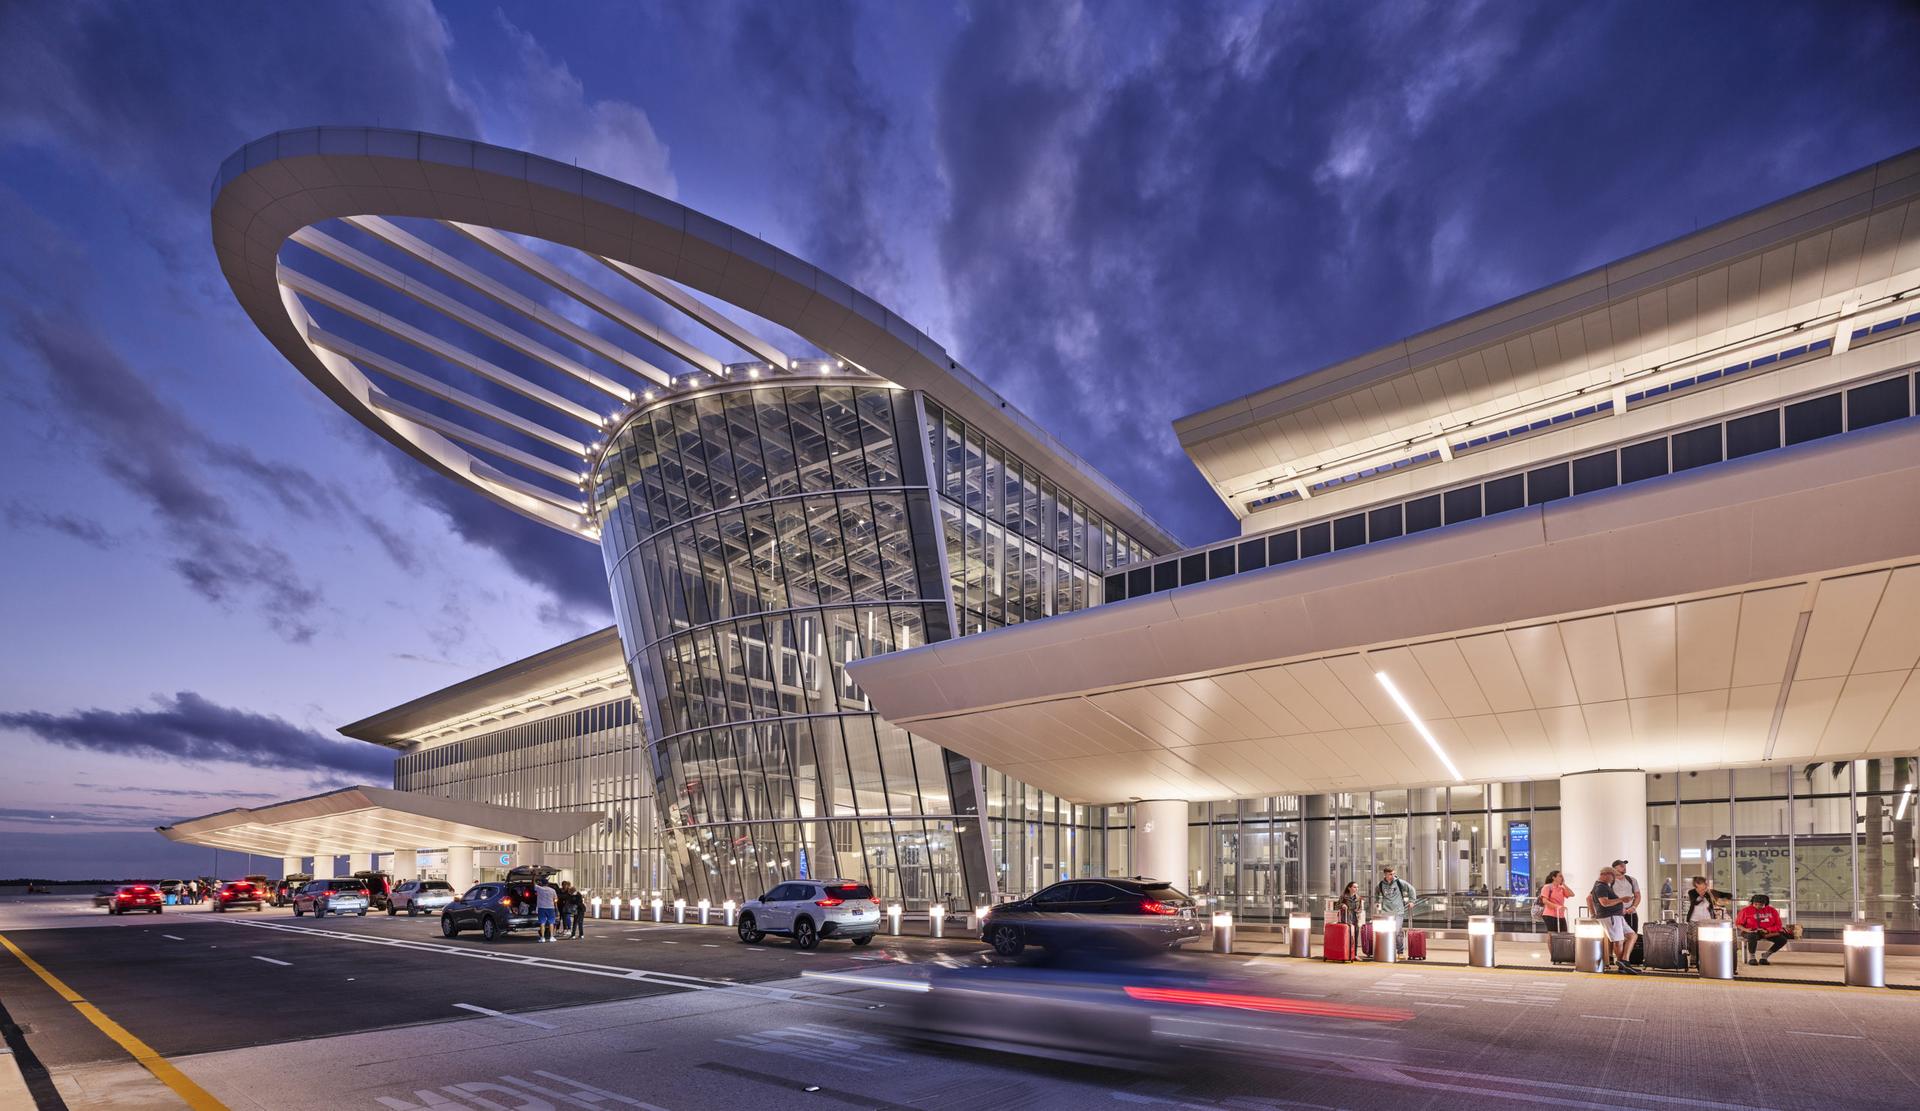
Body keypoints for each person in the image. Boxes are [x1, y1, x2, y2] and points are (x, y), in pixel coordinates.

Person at [1589, 866, 1638, 973]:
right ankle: (1623, 966)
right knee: (1618, 941)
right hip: (1610, 916)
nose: (1614, 879)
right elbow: (1604, 903)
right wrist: (1621, 899)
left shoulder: (1602, 886)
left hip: (1616, 916)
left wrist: (1593, 914)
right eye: (1613, 876)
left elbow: (1589, 898)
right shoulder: (1600, 887)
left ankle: (1624, 961)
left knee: (1632, 935)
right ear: (1605, 874)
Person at [1734, 894, 1793, 965]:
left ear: (1766, 904)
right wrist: (1746, 930)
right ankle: (1752, 957)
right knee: (1752, 936)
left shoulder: (1772, 911)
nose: (1758, 906)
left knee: (1782, 940)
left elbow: (1778, 925)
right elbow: (1738, 924)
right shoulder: (1745, 910)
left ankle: (1765, 956)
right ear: (1752, 902)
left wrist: (1767, 930)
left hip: (1767, 932)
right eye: (1755, 904)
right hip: (1750, 931)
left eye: (1761, 905)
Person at [1373, 866, 1416, 955]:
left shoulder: (1399, 882)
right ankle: (1389, 951)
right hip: (1386, 912)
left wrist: (1412, 901)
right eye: (1390, 874)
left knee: (1397, 931)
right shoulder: (1381, 884)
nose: (1392, 876)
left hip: (1398, 911)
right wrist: (1377, 901)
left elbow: (1411, 889)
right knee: (1387, 932)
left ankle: (1400, 951)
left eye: (1393, 874)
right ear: (1385, 874)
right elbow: (1376, 893)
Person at [1611, 859, 1642, 933]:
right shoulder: (1610, 881)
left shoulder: (1632, 880)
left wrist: (1633, 907)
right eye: (1621, 866)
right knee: (1618, 936)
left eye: (1625, 866)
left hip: (1630, 913)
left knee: (1633, 934)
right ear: (1614, 869)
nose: (1624, 868)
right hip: (1616, 914)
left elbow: (1637, 895)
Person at [1336, 881, 1362, 960]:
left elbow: (1360, 908)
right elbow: (1337, 906)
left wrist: (1358, 913)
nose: (1356, 889)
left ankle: (1355, 955)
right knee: (1347, 937)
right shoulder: (1344, 896)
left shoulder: (1358, 898)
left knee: (1355, 937)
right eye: (1354, 887)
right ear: (1349, 888)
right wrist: (1342, 905)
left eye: (1357, 887)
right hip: (1346, 918)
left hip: (1355, 918)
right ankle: (1346, 954)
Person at [534, 877, 558, 943]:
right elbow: (555, 899)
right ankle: (551, 937)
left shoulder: (539, 889)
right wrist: (556, 908)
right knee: (551, 923)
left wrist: (534, 876)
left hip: (541, 908)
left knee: (542, 923)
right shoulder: (552, 890)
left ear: (541, 883)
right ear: (548, 883)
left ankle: (542, 938)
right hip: (551, 908)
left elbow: (533, 884)